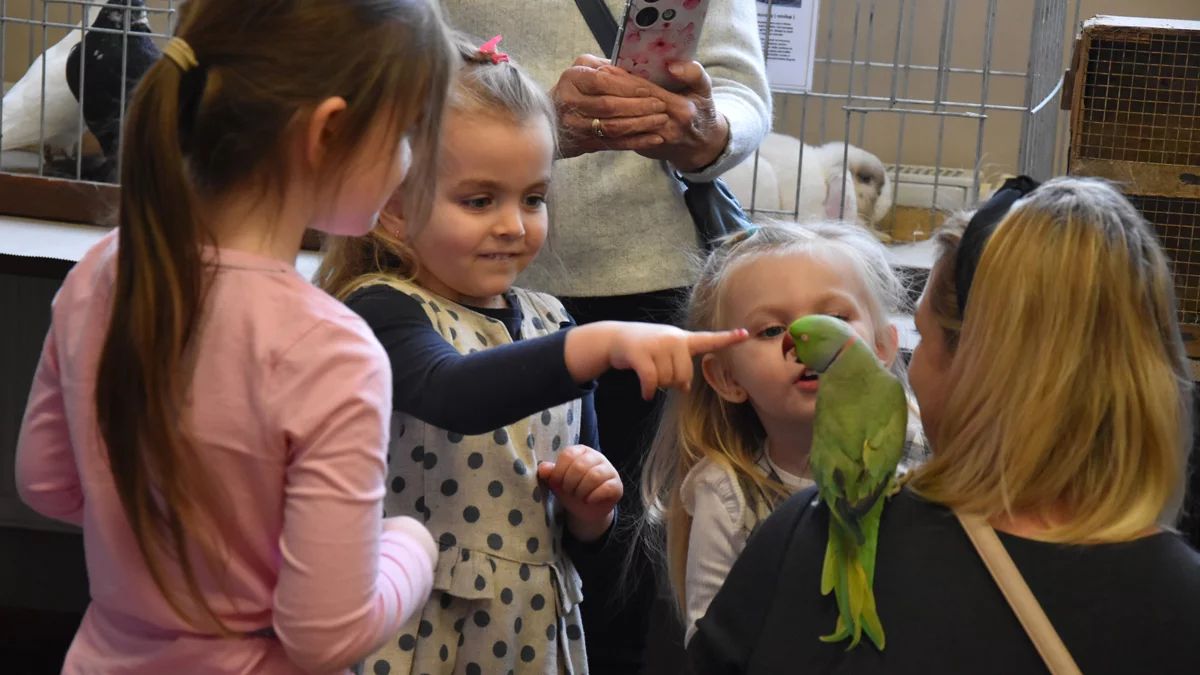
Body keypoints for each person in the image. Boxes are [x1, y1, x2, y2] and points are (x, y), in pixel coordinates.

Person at [14, 1, 456, 672]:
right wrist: (412, 544)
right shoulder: (333, 351)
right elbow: (324, 637)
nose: (408, 161)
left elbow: (46, 483)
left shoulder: (100, 272)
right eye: (407, 131)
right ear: (329, 130)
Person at [314, 34, 748, 675]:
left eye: (534, 198)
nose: (515, 225)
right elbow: (453, 391)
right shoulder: (381, 309)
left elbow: (577, 524)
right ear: (395, 210)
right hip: (415, 635)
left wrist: (589, 511)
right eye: (479, 200)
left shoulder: (549, 320)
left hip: (528, 635)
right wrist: (598, 343)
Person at [688, 177, 1200, 674]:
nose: (907, 367)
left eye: (923, 340)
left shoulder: (814, 533)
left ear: (980, 373)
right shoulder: (1180, 601)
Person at [439, 3, 772, 670]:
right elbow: (390, 64)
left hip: (654, 287)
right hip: (464, 281)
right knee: (460, 538)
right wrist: (529, 119)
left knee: (621, 571)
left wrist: (704, 130)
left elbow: (739, 87)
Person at [638, 221, 927, 646]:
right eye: (772, 331)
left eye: (835, 318)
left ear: (882, 348)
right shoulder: (728, 496)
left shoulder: (920, 444)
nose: (806, 342)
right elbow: (709, 643)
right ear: (727, 377)